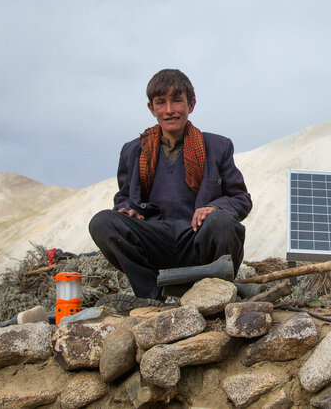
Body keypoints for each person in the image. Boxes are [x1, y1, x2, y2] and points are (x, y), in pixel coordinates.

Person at [89, 69, 252, 303]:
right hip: (156, 238)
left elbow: (241, 198)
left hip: (197, 239)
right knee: (103, 222)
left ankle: (215, 296)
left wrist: (215, 208)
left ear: (191, 104)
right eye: (160, 103)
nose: (169, 110)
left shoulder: (217, 147)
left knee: (222, 222)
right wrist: (128, 210)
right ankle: (151, 296)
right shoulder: (133, 151)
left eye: (177, 101)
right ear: (151, 108)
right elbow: (124, 198)